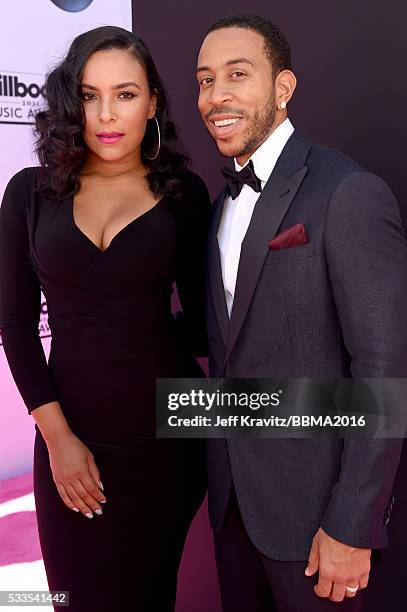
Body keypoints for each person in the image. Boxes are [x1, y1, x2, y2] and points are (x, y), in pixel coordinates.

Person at [196, 13, 407, 612]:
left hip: (319, 517)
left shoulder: (347, 191)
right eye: (206, 80)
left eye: (238, 75)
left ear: (284, 88)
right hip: (233, 502)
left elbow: (384, 367)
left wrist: (353, 522)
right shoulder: (218, 207)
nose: (217, 96)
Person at [0, 26, 209, 612]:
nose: (107, 114)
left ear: (154, 102)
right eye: (90, 96)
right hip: (70, 437)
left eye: (125, 93)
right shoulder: (29, 193)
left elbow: (201, 325)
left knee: (148, 597)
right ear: (73, 102)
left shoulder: (183, 194)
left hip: (164, 446)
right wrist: (58, 438)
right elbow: (15, 327)